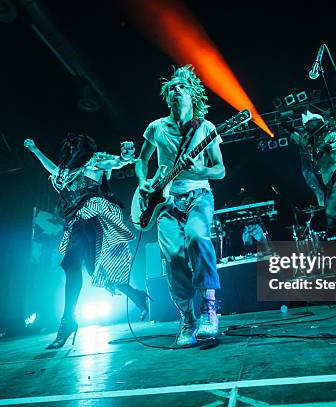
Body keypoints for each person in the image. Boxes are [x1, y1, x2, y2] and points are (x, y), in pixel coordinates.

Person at [24, 133, 150, 349]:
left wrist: (126, 155)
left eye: (75, 145)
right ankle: (136, 295)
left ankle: (67, 321)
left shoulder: (94, 160)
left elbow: (119, 161)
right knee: (94, 271)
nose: (71, 149)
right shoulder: (65, 172)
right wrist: (36, 151)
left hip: (94, 216)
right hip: (76, 220)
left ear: (83, 147)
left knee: (73, 265)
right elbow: (52, 169)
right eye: (69, 146)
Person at [135, 65, 225, 347]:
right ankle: (188, 319)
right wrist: (143, 182)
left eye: (181, 86)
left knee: (198, 237)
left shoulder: (206, 128)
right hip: (166, 203)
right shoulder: (156, 127)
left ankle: (210, 309)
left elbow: (220, 169)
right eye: (171, 87)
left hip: (198, 196)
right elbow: (142, 160)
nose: (176, 90)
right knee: (173, 256)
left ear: (192, 94)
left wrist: (199, 171)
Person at [287, 111, 336, 241]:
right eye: (307, 125)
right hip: (328, 181)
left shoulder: (331, 133)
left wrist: (330, 144)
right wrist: (289, 128)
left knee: (332, 211)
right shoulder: (310, 143)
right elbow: (301, 143)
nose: (309, 126)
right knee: (332, 222)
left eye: (312, 123)